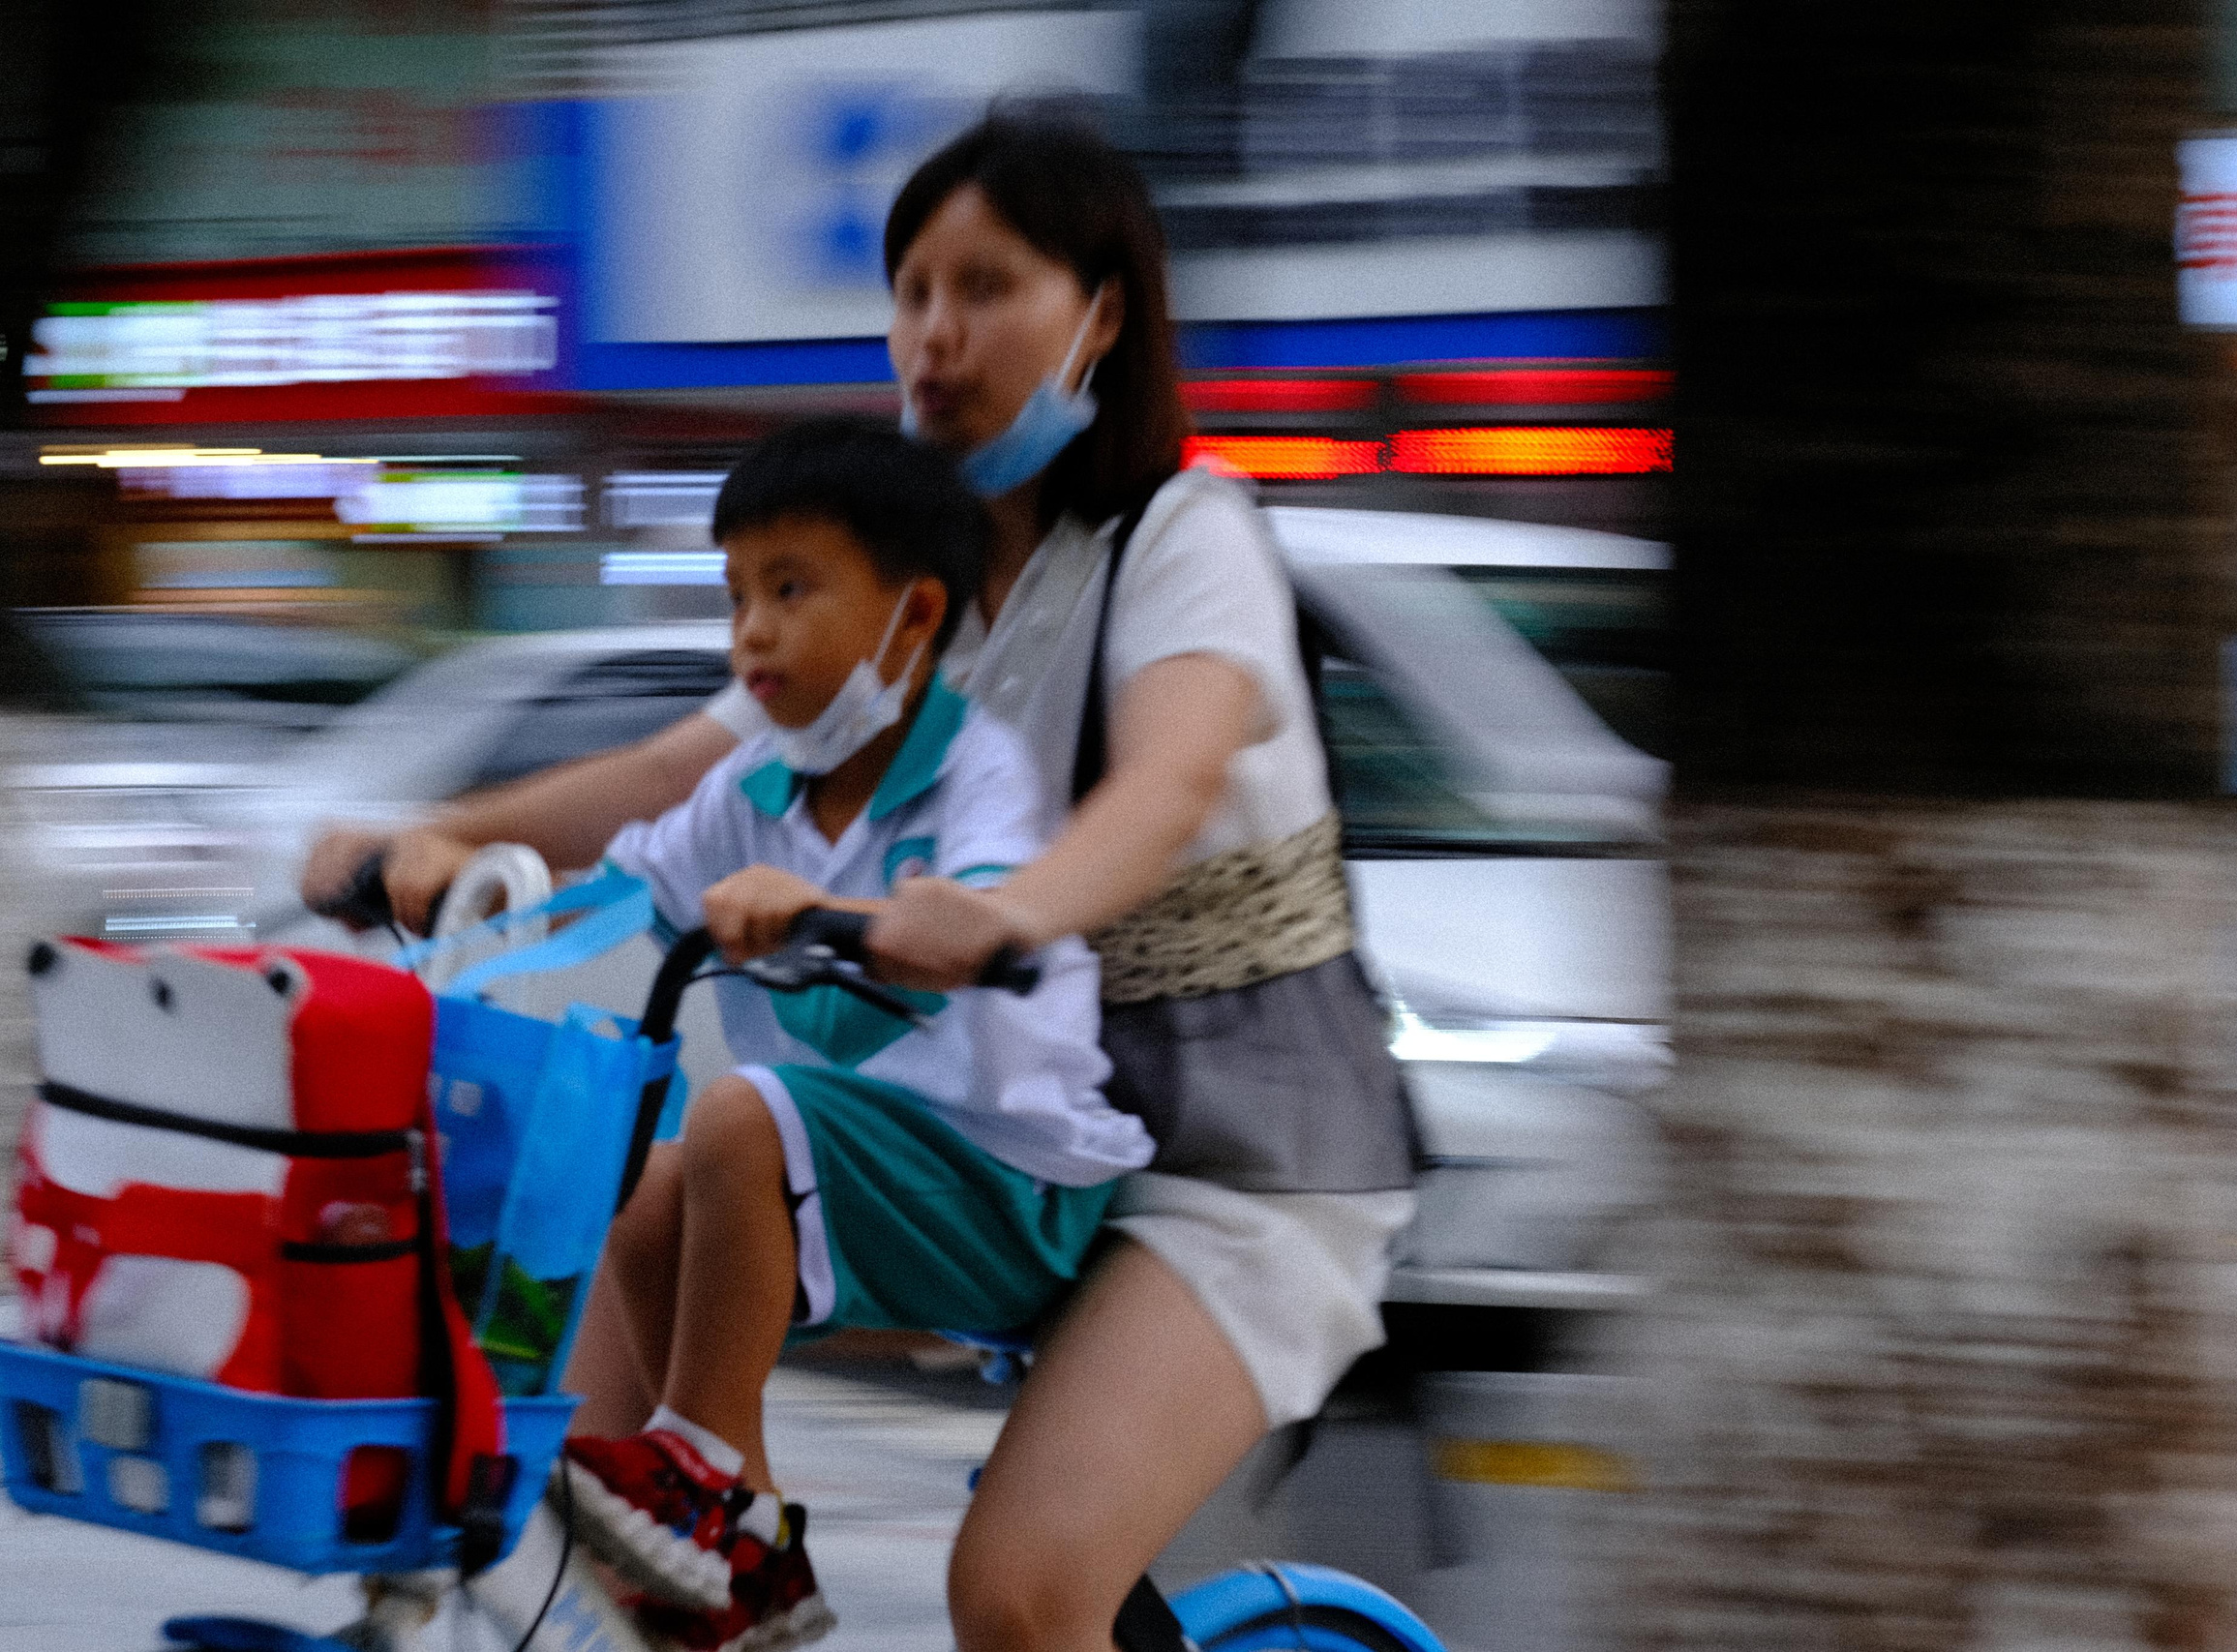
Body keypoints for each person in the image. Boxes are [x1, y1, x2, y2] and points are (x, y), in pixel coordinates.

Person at [306, 114, 1417, 1652]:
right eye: (909, 290)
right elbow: (681, 772)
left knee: (1019, 1596)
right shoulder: (914, 597)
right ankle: (691, 1567)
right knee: (608, 1374)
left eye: (986, 286)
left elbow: (1164, 785)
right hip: (986, 1128)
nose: (934, 334)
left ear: (1101, 314)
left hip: (1233, 1158)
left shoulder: (1185, 533)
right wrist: (420, 834)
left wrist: (1006, 909)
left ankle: (723, 1525)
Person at [415, 417, 1153, 1652]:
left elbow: (978, 912)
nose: (750, 628)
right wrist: (446, 866)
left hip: (1012, 1187)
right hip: (862, 1188)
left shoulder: (979, 772)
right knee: (640, 1186)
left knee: (738, 1113)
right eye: (737, 593)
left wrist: (837, 912)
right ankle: (669, 1535)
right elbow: (615, 888)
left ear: (913, 619)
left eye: (791, 589)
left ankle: (722, 1498)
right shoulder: (749, 790)